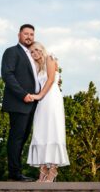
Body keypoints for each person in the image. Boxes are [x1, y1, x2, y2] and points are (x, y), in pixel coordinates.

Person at [1, 24, 40, 181]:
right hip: (19, 102)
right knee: (16, 139)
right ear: (19, 35)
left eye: (31, 34)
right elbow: (7, 75)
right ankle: (14, 174)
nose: (29, 37)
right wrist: (23, 95)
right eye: (26, 34)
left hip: (32, 104)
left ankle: (17, 171)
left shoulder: (33, 55)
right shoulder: (12, 52)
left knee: (23, 139)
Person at [27, 42, 69, 181]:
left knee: (53, 131)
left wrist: (38, 95)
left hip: (52, 98)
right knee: (41, 132)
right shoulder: (37, 67)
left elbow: (50, 80)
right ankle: (43, 169)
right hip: (43, 102)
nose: (35, 53)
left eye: (37, 49)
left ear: (42, 49)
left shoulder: (50, 58)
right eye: (32, 52)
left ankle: (53, 170)